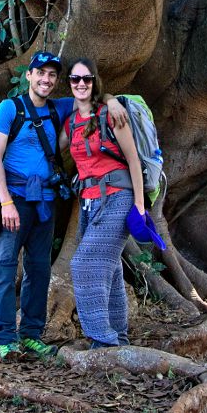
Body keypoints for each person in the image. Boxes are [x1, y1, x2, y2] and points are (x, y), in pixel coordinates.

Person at [0, 51, 125, 360]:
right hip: (14, 198)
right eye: (41, 73)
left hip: (45, 202)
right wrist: (5, 201)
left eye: (52, 75)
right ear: (29, 76)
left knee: (38, 269)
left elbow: (90, 96)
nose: (46, 79)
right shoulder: (9, 109)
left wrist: (113, 100)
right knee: (5, 266)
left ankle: (31, 334)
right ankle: (4, 337)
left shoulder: (58, 109)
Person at [59, 57, 145, 349]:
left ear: (94, 82)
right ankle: (118, 335)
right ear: (69, 84)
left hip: (118, 197)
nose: (81, 84)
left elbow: (133, 160)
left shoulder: (110, 115)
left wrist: (140, 206)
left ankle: (103, 340)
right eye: (75, 79)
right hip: (88, 203)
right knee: (111, 267)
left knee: (83, 264)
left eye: (87, 79)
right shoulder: (71, 122)